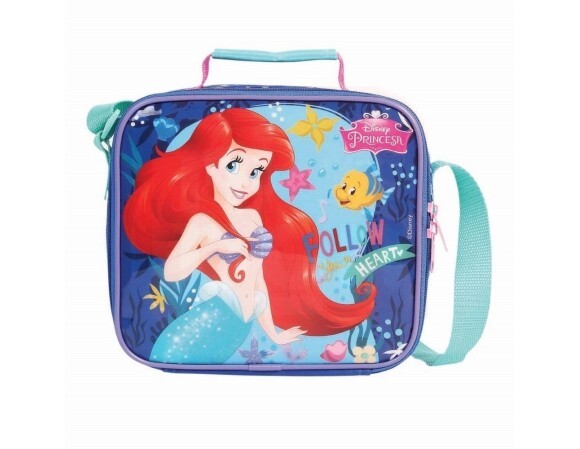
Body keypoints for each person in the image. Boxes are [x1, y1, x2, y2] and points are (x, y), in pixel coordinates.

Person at [123, 108, 375, 363]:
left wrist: (274, 334)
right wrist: (213, 248)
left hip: (237, 331)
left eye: (256, 171)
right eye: (233, 165)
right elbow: (171, 271)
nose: (245, 182)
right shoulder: (202, 221)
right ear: (211, 165)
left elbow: (258, 282)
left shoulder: (253, 217)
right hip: (207, 324)